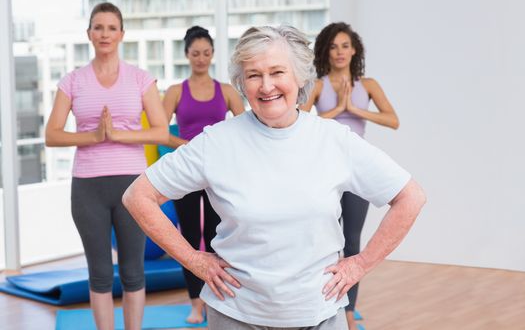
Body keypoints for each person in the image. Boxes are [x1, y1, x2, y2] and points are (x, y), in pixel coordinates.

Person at [123, 25, 426, 330]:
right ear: (242, 83)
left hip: (319, 314)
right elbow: (138, 196)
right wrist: (195, 260)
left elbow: (410, 196)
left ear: (299, 76)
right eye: (254, 75)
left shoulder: (334, 140)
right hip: (236, 314)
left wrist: (360, 264)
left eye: (278, 72)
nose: (267, 86)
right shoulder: (216, 142)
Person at [45, 2, 168, 330]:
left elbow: (160, 130)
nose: (105, 34)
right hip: (88, 186)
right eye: (98, 27)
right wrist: (95, 135)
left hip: (133, 186)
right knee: (99, 273)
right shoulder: (72, 81)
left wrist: (118, 135)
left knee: (132, 271)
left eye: (112, 28)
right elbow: (52, 135)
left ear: (121, 34)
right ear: (89, 34)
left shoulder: (141, 79)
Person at [300, 22, 399, 329]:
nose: (339, 52)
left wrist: (355, 110)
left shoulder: (367, 85)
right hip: (324, 169)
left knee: (351, 243)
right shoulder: (318, 85)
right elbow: (299, 120)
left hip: (356, 170)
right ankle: (315, 303)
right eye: (333, 46)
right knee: (318, 241)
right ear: (324, 52)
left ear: (354, 50)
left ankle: (347, 314)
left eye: (345, 46)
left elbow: (392, 120)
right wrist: (337, 109)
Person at [161, 25, 244, 323]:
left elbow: (246, 127)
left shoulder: (226, 91)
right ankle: (196, 302)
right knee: (189, 238)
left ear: (212, 55)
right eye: (195, 53)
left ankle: (215, 299)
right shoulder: (174, 92)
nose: (201, 58)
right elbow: (160, 132)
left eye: (206, 53)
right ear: (186, 55)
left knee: (215, 237)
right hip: (186, 171)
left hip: (217, 174)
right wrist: (189, 146)